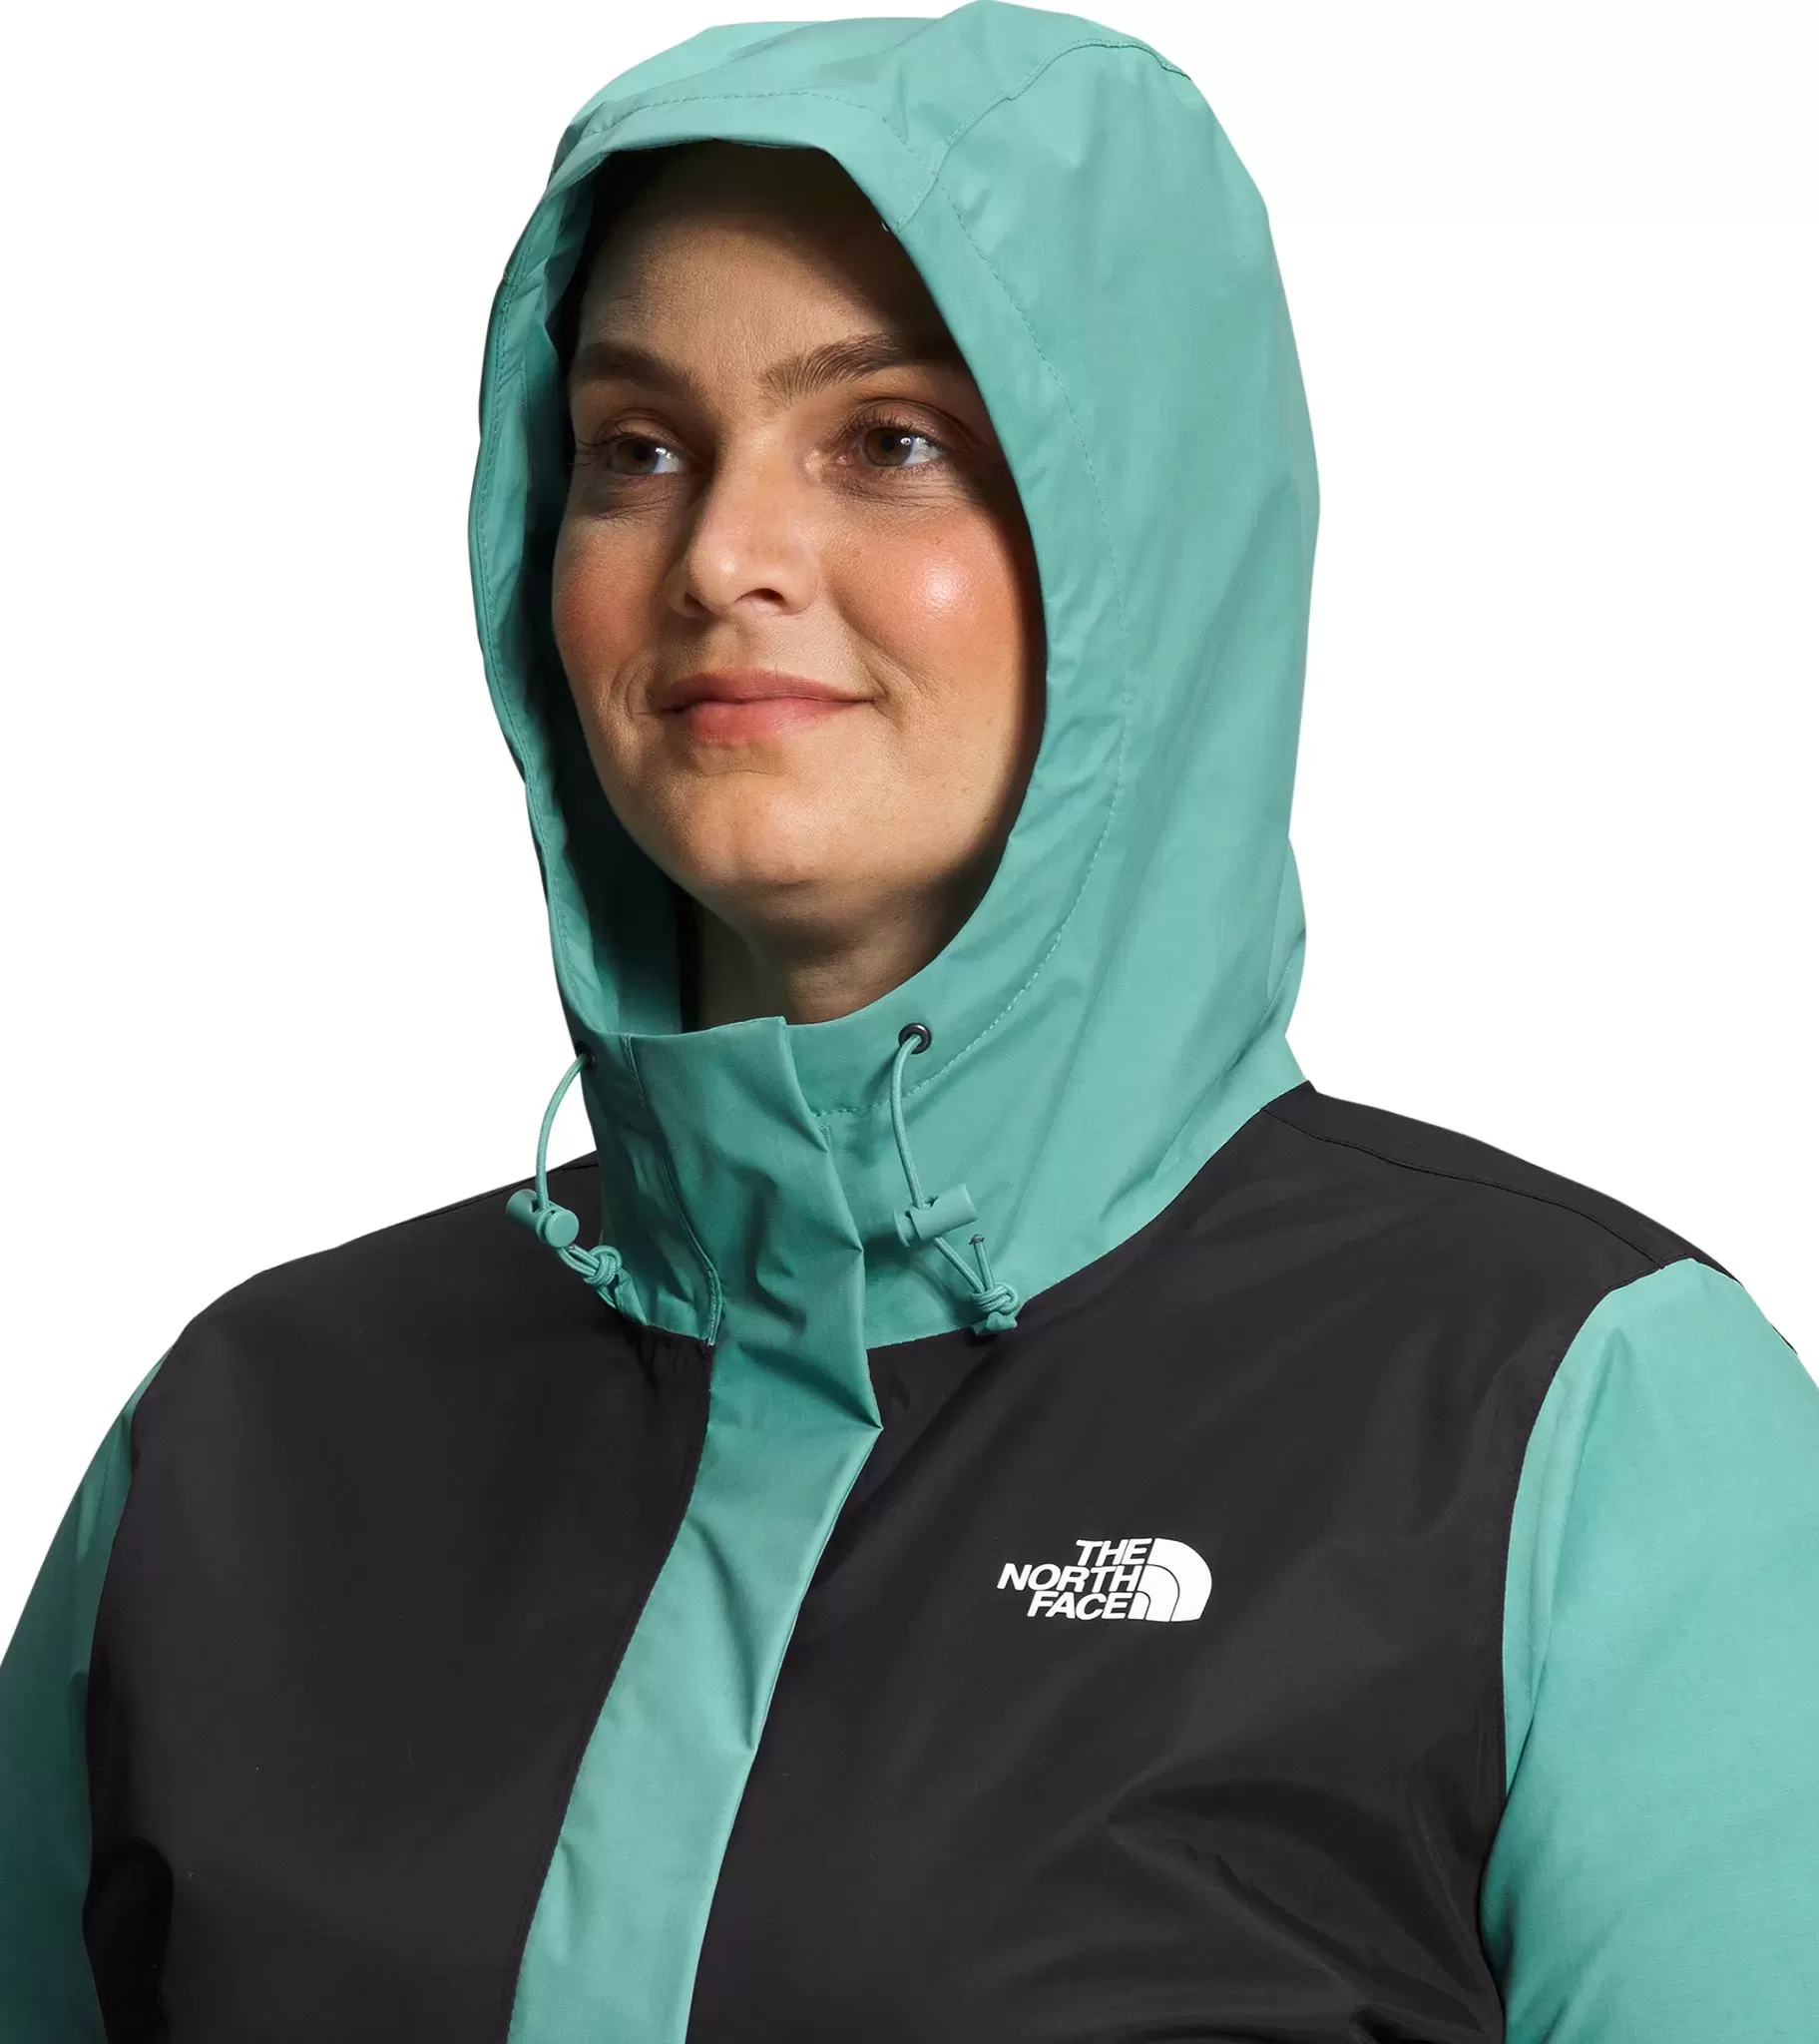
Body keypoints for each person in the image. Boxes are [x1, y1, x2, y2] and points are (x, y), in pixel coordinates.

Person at [2, 6, 1815, 2039]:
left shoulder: (1571, 1426)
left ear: (1146, 538)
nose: (723, 557)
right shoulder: (242, 1446)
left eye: (890, 442)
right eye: (635, 449)